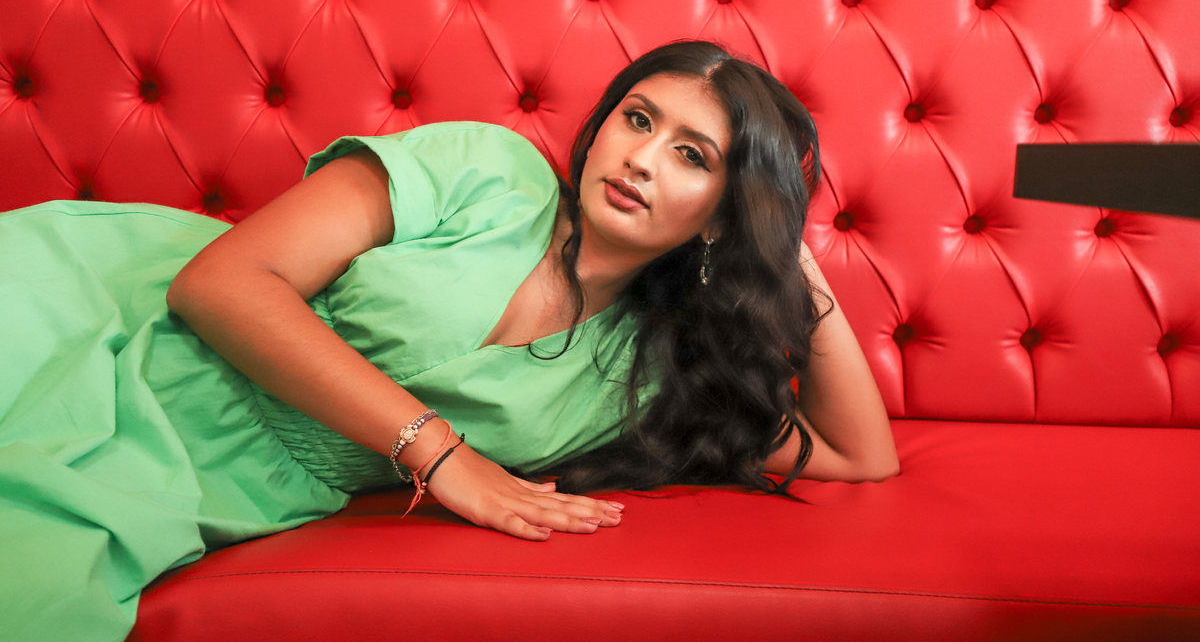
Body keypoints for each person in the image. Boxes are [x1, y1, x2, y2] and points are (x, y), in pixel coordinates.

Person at [0, 40, 897, 642]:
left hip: (233, 481)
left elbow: (862, 455)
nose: (641, 158)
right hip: (106, 319)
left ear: (722, 215)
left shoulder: (648, 373)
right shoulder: (487, 170)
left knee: (40, 584)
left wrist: (786, 253)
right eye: (637, 119)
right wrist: (442, 455)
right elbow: (218, 286)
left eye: (692, 156)